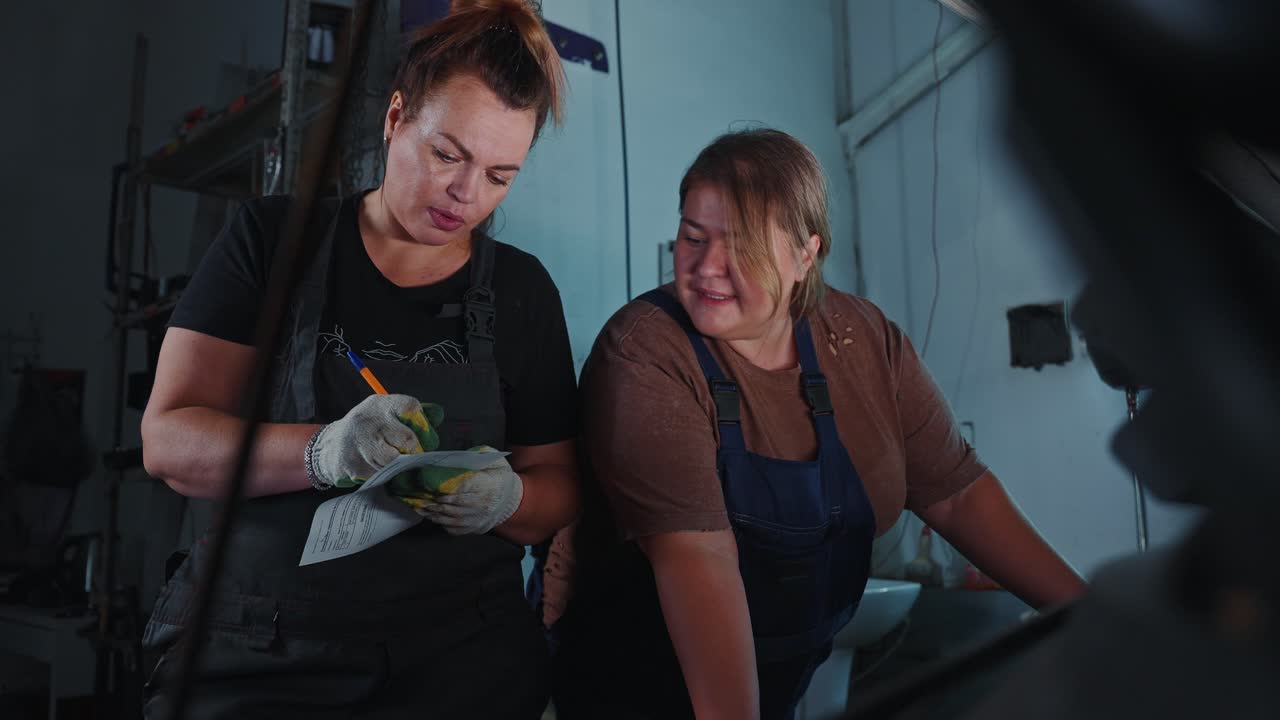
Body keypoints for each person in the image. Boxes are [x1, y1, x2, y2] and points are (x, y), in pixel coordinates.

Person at [548, 128, 1087, 720]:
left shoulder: (861, 340)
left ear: (807, 254)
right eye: (691, 237)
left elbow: (956, 494)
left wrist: (1092, 621)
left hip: (779, 683)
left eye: (743, 248)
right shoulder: (645, 352)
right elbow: (697, 557)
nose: (706, 269)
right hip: (633, 687)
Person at [138, 1, 579, 717]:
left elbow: (557, 482)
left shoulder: (523, 291)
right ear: (396, 116)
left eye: (500, 175)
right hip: (264, 652)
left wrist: (510, 500)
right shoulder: (271, 243)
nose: (466, 196)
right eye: (447, 154)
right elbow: (168, 442)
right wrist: (323, 450)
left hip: (460, 662)